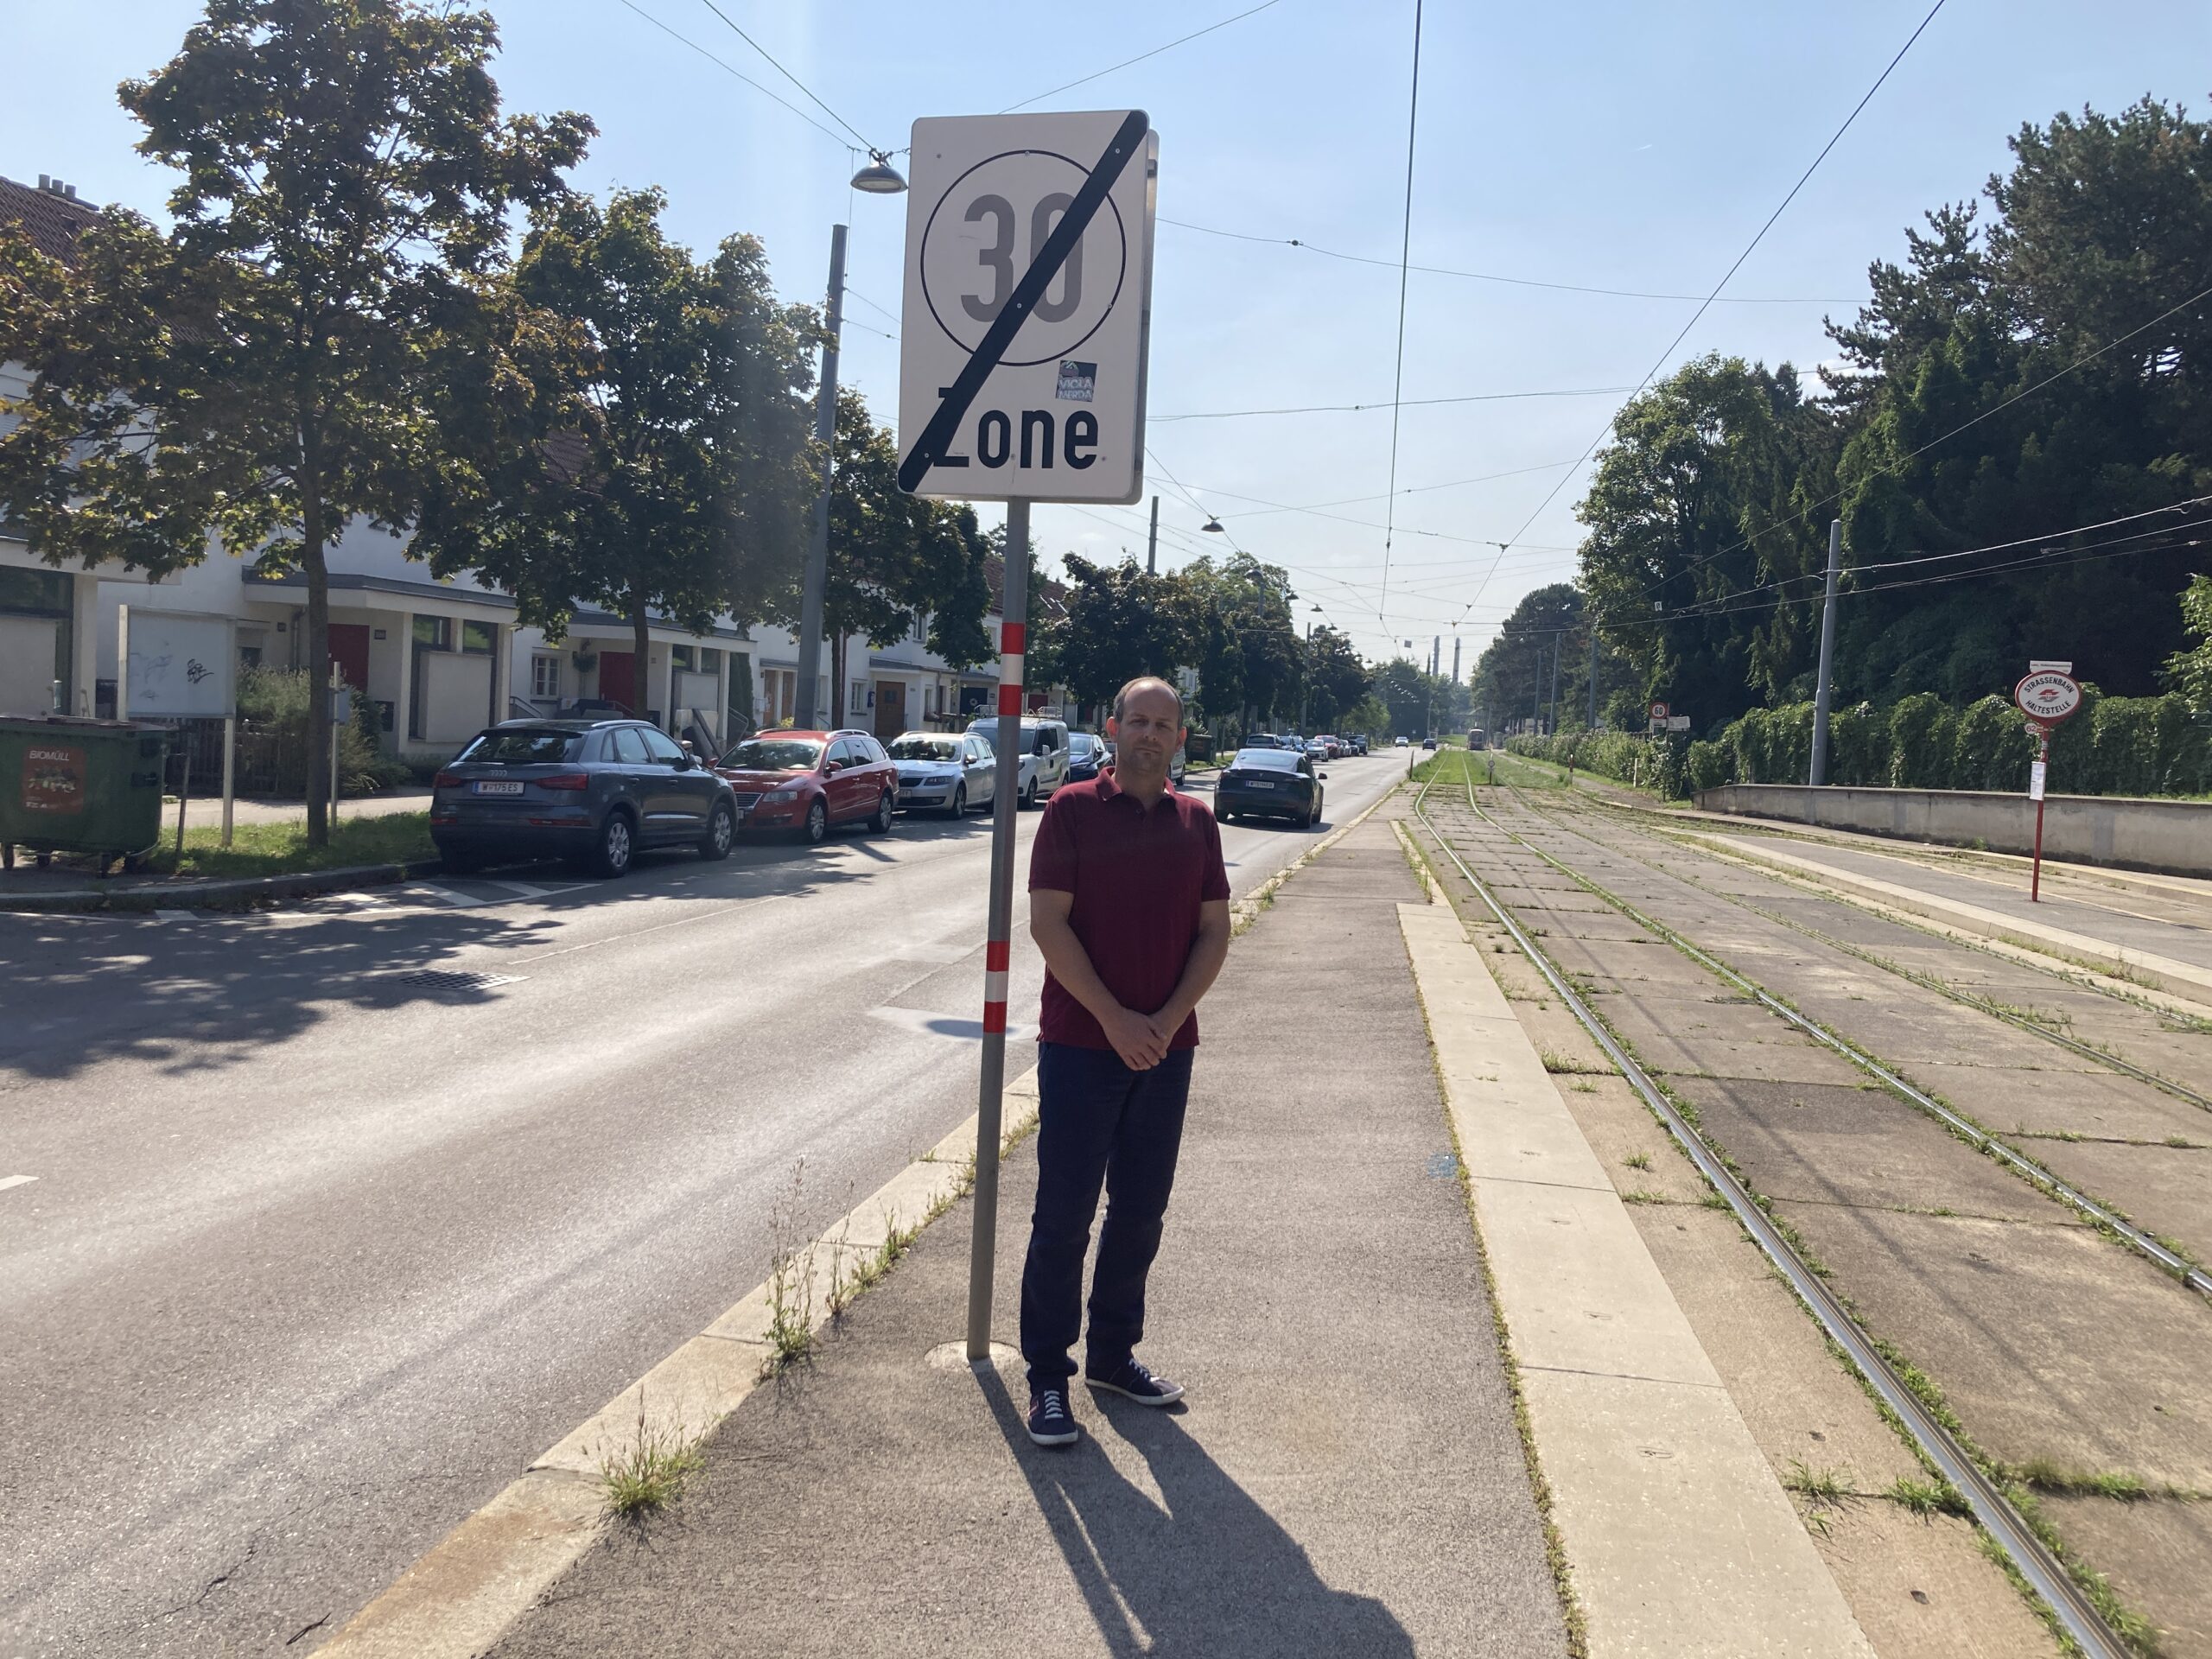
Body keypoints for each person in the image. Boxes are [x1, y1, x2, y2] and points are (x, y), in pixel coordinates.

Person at [1018, 675, 1232, 1447]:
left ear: (1181, 737)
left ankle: (1113, 1355)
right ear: (1111, 728)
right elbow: (1048, 925)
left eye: (1162, 723)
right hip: (1081, 1046)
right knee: (1064, 1215)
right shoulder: (1070, 810)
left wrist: (1166, 1022)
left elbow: (1214, 932)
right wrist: (1114, 1018)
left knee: (1141, 1211)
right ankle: (1047, 1376)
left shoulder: (1196, 824)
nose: (1148, 733)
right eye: (1136, 720)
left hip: (1166, 1054)